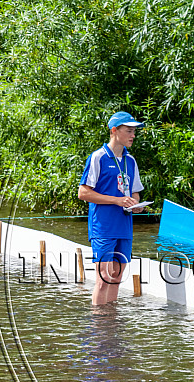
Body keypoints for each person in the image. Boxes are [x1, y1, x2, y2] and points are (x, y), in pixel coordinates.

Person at [78, 111, 146, 305]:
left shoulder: (130, 161)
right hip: (103, 227)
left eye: (134, 131)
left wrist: (135, 204)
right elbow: (83, 193)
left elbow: (135, 192)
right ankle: (99, 328)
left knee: (116, 277)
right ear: (114, 130)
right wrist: (117, 201)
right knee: (103, 279)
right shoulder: (98, 157)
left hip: (124, 227)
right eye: (129, 131)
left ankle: (111, 326)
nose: (133, 135)